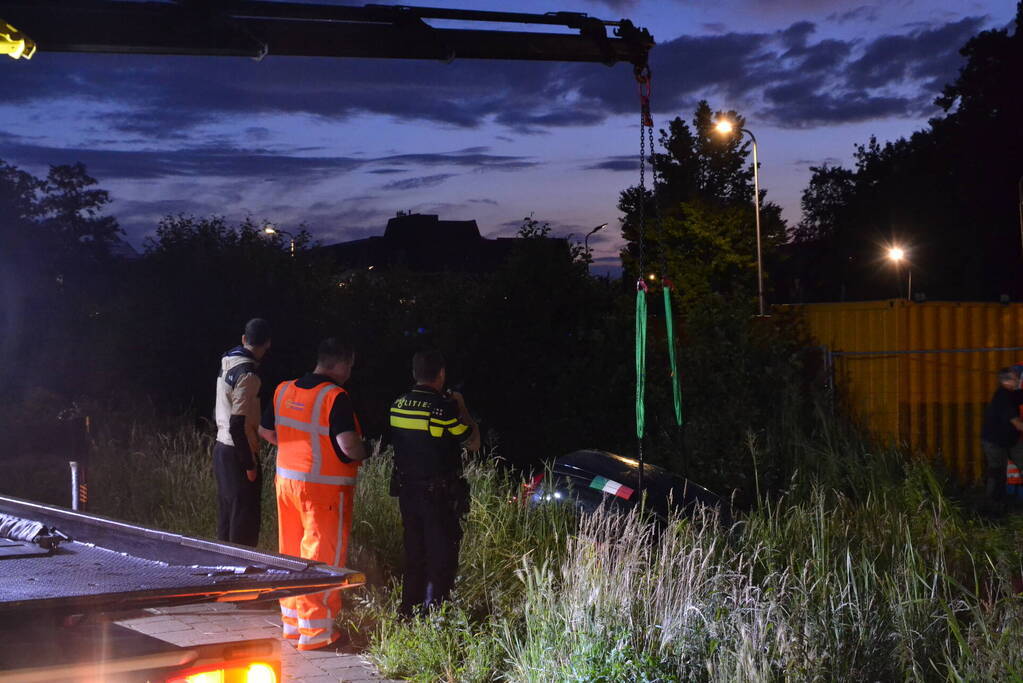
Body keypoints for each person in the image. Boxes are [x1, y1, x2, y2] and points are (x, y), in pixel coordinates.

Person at [258, 337, 368, 650]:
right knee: (321, 560)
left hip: (287, 484)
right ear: (343, 363)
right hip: (324, 491)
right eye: (350, 365)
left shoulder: (284, 389)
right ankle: (318, 635)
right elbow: (348, 446)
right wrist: (365, 451)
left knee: (291, 555)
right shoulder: (336, 396)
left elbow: (266, 431)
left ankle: (293, 626)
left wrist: (298, 448)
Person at [388, 349, 481, 617]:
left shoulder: (398, 404)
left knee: (414, 553)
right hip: (437, 496)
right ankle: (435, 614)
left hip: (407, 492)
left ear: (414, 373)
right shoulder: (441, 409)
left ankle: (408, 610)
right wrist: (461, 406)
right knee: (441, 556)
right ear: (441, 374)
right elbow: (472, 443)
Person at [212, 317, 271, 547]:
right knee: (243, 523)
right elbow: (238, 423)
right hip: (238, 453)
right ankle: (242, 577)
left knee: (227, 518)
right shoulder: (249, 375)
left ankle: (222, 570)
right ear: (267, 344)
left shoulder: (227, 360)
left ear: (244, 339)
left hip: (221, 448)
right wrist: (249, 465)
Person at [981, 367, 1023, 511]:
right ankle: (992, 506)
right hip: (995, 443)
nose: (1018, 380)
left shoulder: (1011, 393)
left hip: (1010, 440)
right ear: (1006, 381)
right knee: (997, 473)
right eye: (1015, 378)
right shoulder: (1003, 398)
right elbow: (1018, 424)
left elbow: (1020, 395)